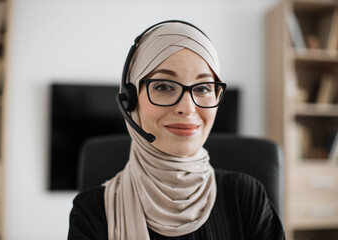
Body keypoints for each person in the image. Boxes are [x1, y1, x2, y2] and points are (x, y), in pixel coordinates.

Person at [68, 20, 285, 240]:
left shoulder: (247, 197)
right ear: (130, 100)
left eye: (202, 88)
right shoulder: (92, 212)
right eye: (164, 86)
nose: (187, 108)